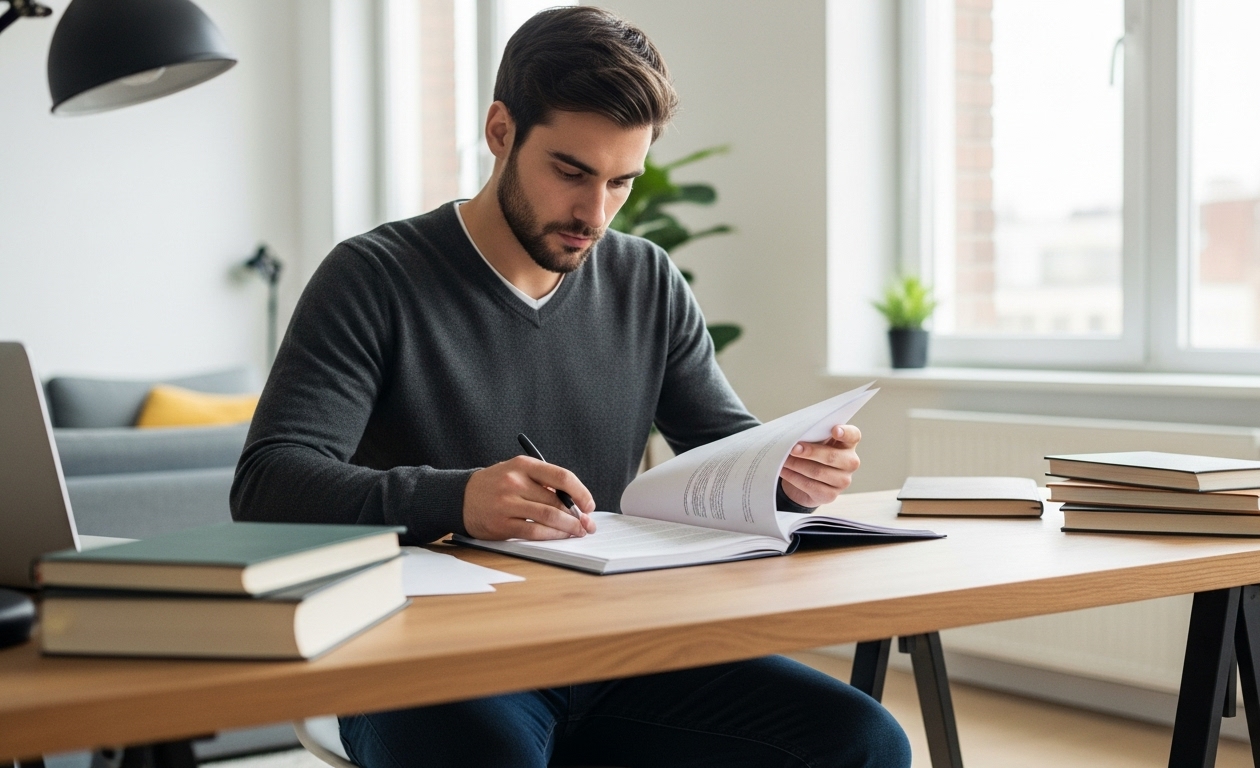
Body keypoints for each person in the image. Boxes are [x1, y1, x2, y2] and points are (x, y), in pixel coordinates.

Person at [232, 6, 910, 767]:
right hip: (428, 661)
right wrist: (458, 499)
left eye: (622, 181)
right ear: (500, 131)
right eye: (571, 173)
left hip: (613, 648)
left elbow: (723, 449)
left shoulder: (645, 278)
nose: (595, 213)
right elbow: (268, 484)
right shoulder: (374, 277)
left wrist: (786, 472)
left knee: (862, 742)